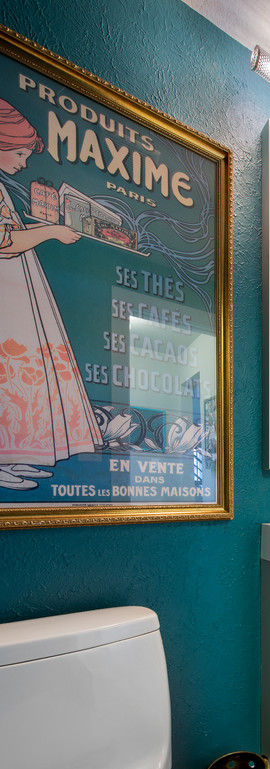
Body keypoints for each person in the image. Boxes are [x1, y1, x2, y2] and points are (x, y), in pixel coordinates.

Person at [0, 98, 102, 491]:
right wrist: (52, 231)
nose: (24, 162)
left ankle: (18, 457)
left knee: (23, 377)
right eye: (20, 153)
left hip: (19, 291)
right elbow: (5, 242)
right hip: (9, 295)